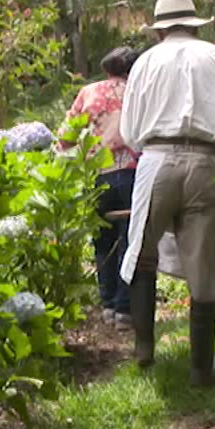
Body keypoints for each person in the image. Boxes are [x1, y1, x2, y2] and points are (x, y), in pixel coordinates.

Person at [118, 0, 215, 386]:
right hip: (205, 163)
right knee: (203, 265)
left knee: (142, 252)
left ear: (160, 28)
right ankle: (201, 368)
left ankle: (144, 349)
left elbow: (130, 132)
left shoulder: (145, 62)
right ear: (195, 24)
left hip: (157, 159)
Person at [60, 46, 141, 325]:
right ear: (133, 69)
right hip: (134, 172)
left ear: (107, 68)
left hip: (99, 174)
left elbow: (66, 137)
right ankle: (124, 309)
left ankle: (107, 304)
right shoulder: (140, 91)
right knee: (130, 242)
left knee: (103, 241)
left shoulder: (89, 92)